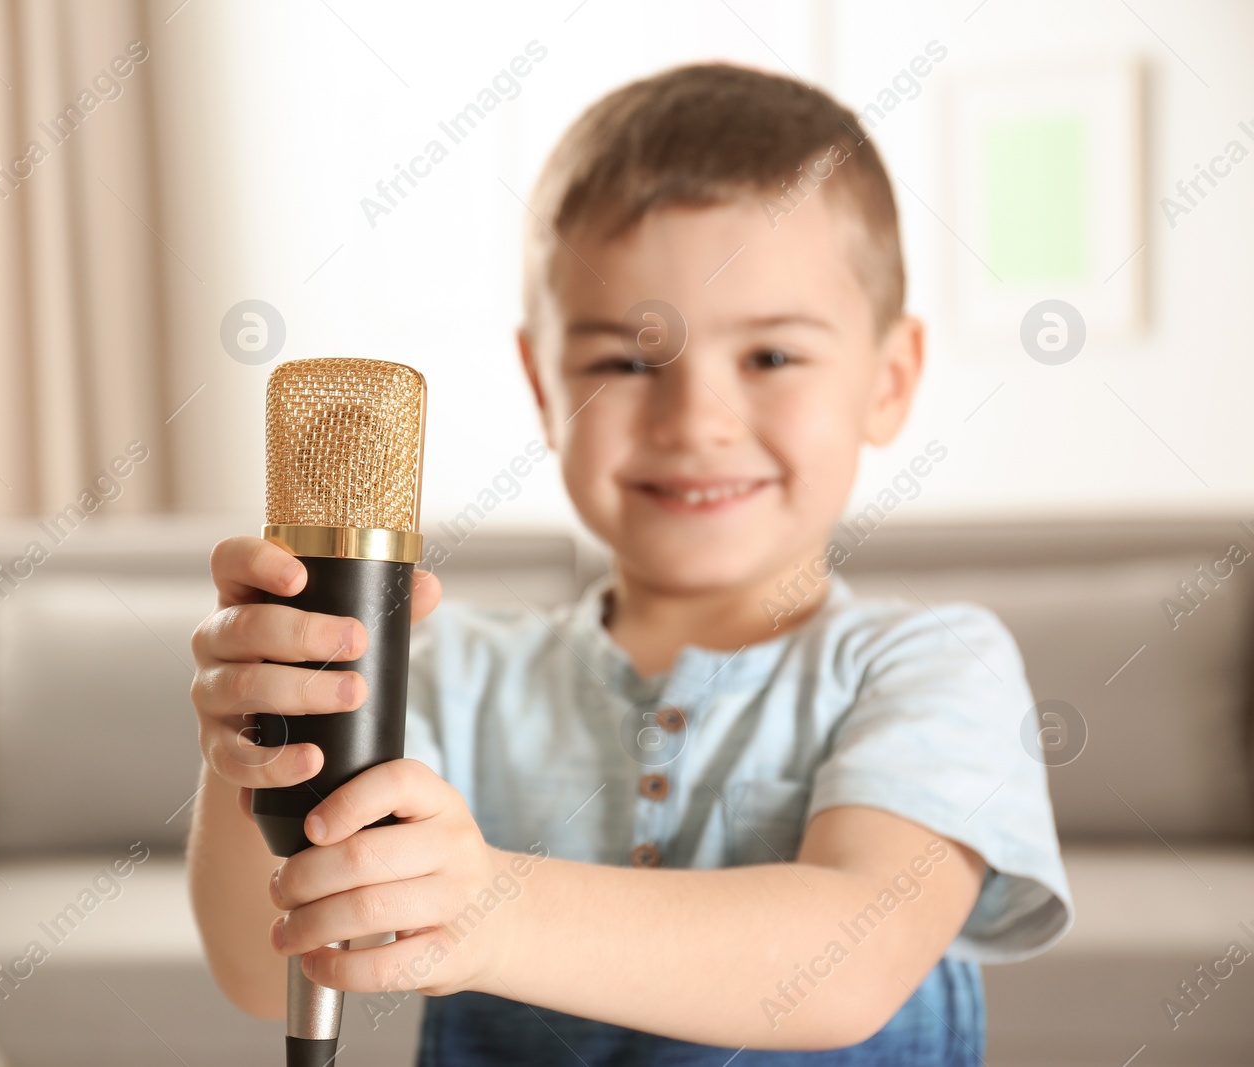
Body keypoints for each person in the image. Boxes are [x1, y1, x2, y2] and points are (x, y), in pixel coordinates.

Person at [187, 62, 1072, 1065]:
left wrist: (490, 910)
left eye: (770, 356)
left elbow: (848, 953)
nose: (693, 421)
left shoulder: (934, 663)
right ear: (541, 379)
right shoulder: (447, 671)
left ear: (890, 378)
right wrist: (252, 751)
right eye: (622, 360)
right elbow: (265, 971)